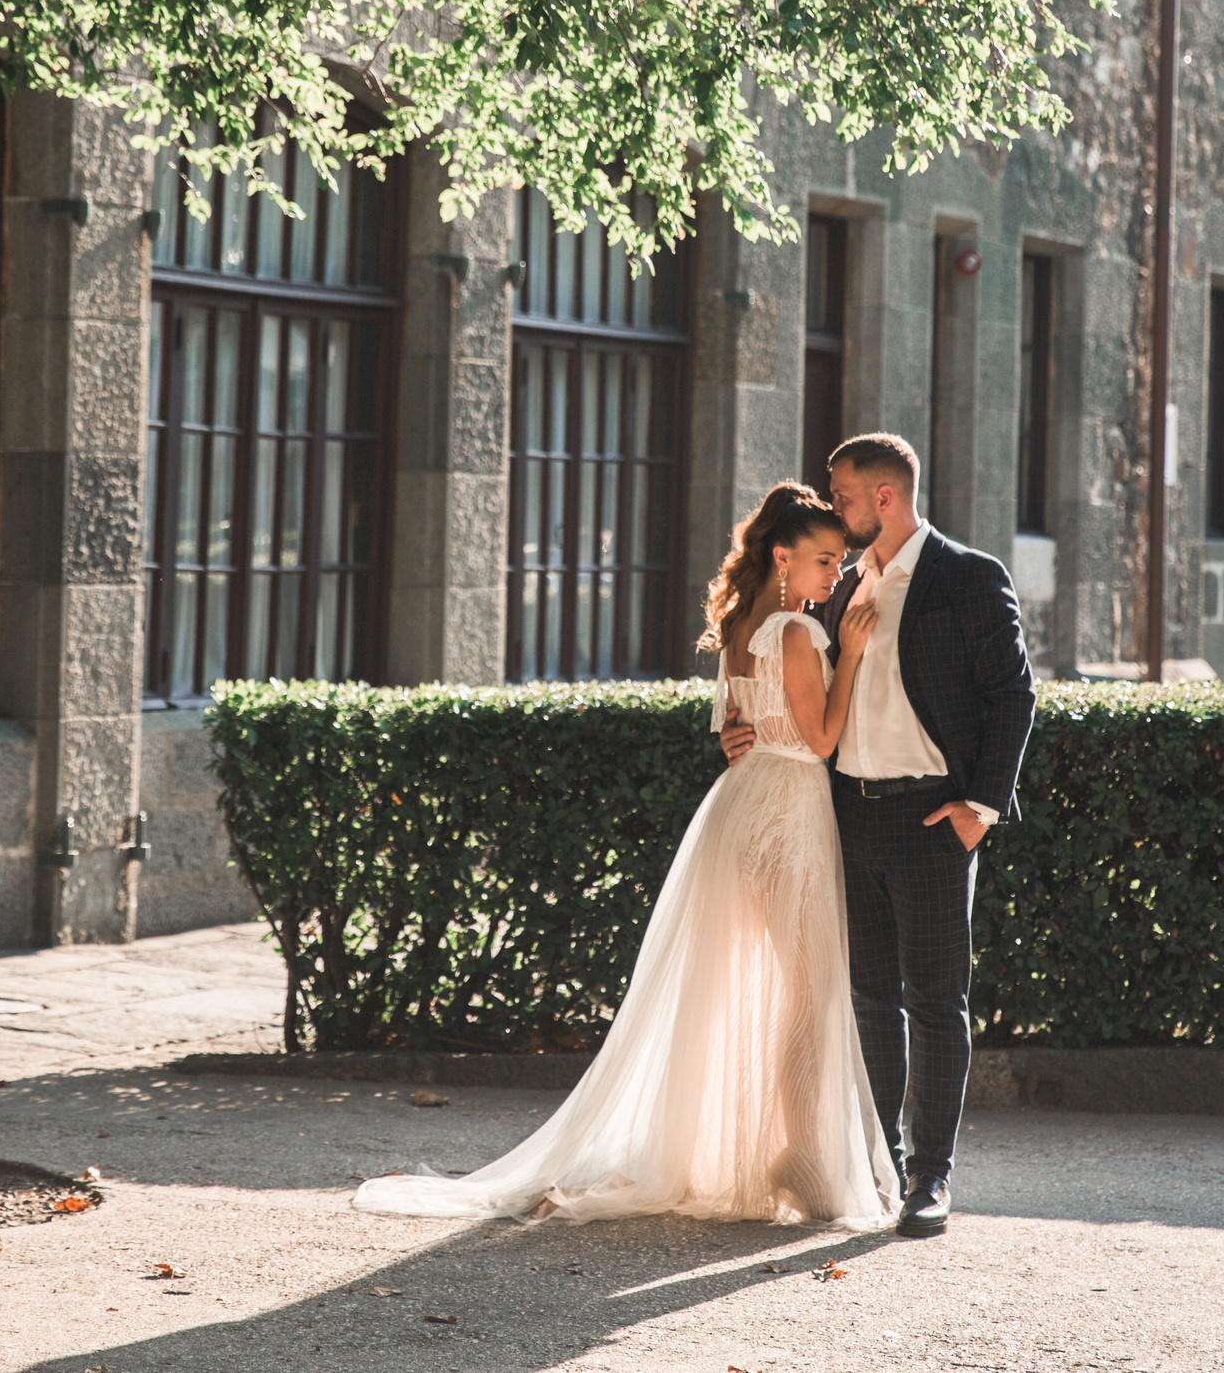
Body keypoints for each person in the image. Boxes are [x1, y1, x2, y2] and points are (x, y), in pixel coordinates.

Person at [353, 482, 902, 1229]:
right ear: (783, 556)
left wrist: (748, 731)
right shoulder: (799, 633)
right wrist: (860, 654)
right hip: (785, 813)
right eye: (824, 560)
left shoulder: (747, 622)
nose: (835, 575)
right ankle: (799, 1158)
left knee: (784, 990)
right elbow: (823, 740)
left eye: (840, 561)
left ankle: (784, 1151)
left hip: (746, 805)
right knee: (806, 994)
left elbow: (734, 724)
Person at [722, 432, 1035, 1238]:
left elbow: (1013, 695)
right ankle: (882, 1165)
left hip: (933, 816)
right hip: (843, 815)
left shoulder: (967, 577)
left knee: (936, 1000)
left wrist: (981, 806)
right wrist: (737, 725)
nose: (836, 506)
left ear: (885, 497)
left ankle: (931, 1177)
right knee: (866, 997)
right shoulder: (834, 579)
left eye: (845, 493)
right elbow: (776, 664)